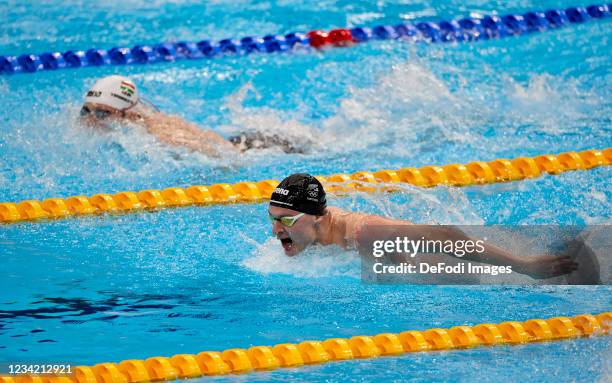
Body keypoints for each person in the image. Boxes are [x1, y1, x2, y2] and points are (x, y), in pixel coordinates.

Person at [268, 173, 583, 281]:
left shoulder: (364, 233)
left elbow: (444, 235)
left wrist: (523, 265)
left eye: (285, 221)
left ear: (318, 218)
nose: (275, 231)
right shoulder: (314, 232)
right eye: (272, 219)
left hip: (469, 274)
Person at [80, 75, 303, 156]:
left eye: (101, 113)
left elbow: (224, 156)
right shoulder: (129, 123)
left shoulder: (161, 132)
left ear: (125, 114)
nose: (90, 119)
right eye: (86, 110)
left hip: (252, 147)